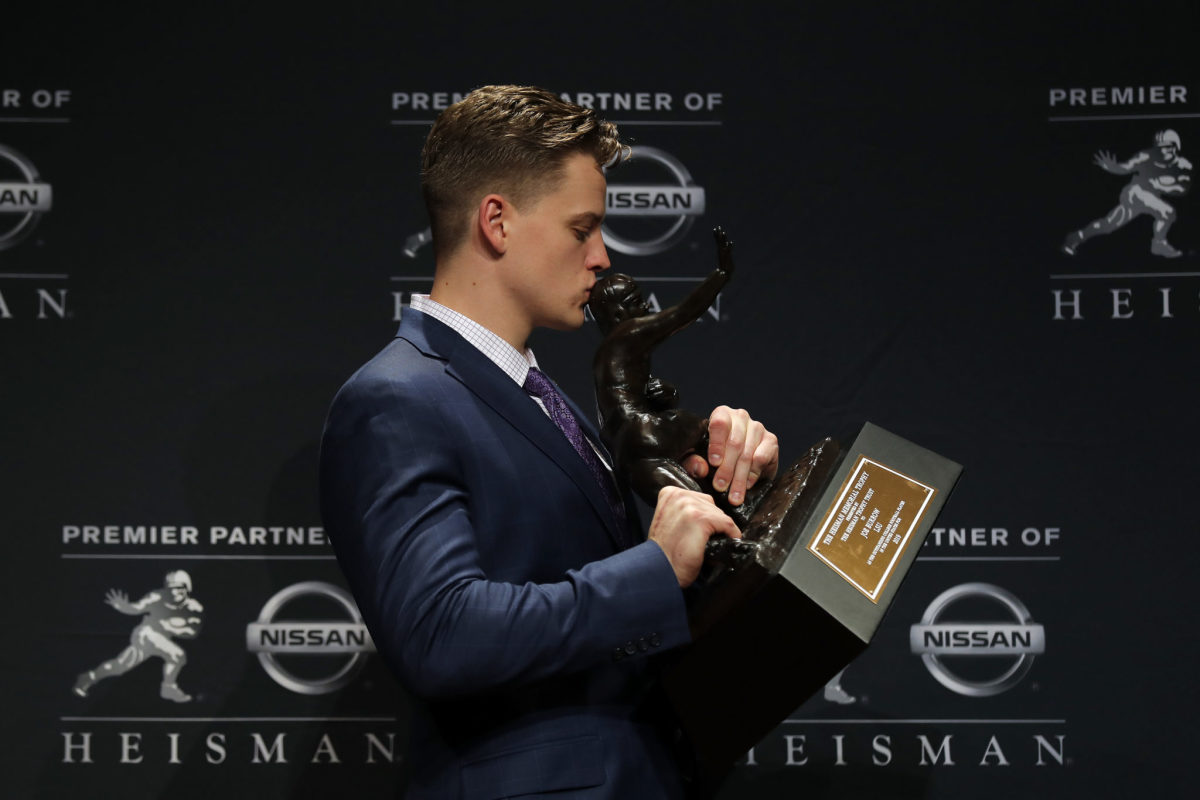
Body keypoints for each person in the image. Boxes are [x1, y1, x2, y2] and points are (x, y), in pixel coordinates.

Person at [319, 85, 779, 799]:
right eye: (581, 228)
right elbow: (441, 635)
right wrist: (656, 567)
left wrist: (716, 492)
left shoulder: (542, 398)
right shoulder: (397, 399)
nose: (602, 258)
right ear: (497, 222)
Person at [72, 570, 203, 703]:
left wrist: (171, 628)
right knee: (177, 655)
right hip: (146, 634)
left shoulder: (194, 608)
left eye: (179, 588)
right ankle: (168, 688)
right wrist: (124, 607)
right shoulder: (157, 596)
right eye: (171, 588)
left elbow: (192, 633)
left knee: (119, 666)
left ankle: (89, 677)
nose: (174, 592)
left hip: (161, 638)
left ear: (187, 587)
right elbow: (137, 607)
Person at [1062, 129, 1192, 258]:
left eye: (1167, 147)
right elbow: (1126, 167)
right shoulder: (1146, 156)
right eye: (1160, 147)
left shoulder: (1183, 165)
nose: (1163, 150)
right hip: (1136, 192)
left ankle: (1077, 237)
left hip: (1150, 198)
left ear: (1176, 147)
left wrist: (1162, 186)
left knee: (1108, 225)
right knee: (1167, 212)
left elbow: (1182, 189)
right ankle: (1158, 244)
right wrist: (1113, 167)